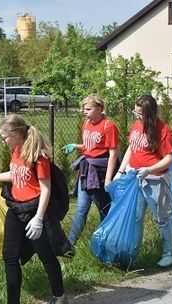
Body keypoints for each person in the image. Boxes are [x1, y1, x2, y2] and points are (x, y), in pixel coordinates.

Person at [0, 114, 68, 304]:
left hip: (35, 210)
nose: (3, 140)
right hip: (16, 208)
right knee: (9, 256)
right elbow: (16, 174)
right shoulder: (15, 150)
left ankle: (59, 296)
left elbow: (45, 189)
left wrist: (38, 218)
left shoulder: (39, 156)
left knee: (46, 255)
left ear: (15, 134)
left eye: (4, 136)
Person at [116, 94, 172, 268]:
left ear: (150, 113)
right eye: (135, 113)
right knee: (135, 218)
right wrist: (121, 170)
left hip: (155, 180)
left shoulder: (163, 130)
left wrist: (150, 169)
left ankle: (169, 252)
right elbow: (131, 148)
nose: (137, 117)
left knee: (161, 217)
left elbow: (169, 158)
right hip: (135, 178)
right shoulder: (137, 124)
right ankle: (131, 256)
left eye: (140, 114)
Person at [62, 94, 119, 245]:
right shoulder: (86, 124)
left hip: (99, 173)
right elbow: (89, 147)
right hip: (86, 170)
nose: (84, 112)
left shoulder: (108, 126)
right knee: (81, 208)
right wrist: (75, 146)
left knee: (103, 209)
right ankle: (70, 245)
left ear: (99, 108)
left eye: (88, 109)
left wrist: (108, 179)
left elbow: (113, 153)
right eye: (83, 109)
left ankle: (105, 242)